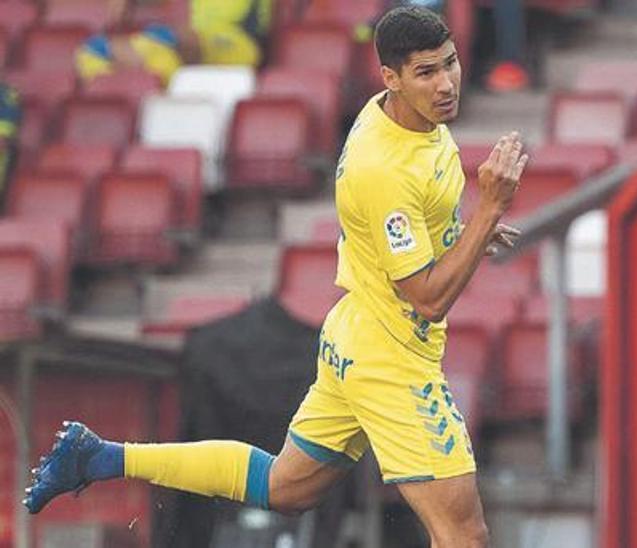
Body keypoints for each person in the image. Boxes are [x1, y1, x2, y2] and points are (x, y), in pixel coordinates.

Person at [25, 7, 526, 546]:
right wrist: (487, 212)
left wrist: (462, 236)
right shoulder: (382, 170)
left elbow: (418, 225)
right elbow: (427, 299)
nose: (446, 82)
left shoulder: (402, 118)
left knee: (285, 486)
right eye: (426, 72)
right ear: (391, 78)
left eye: (449, 64)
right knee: (464, 534)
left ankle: (102, 456)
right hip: (391, 357)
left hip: (356, 331)